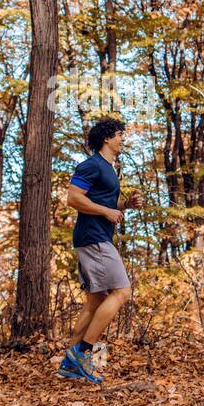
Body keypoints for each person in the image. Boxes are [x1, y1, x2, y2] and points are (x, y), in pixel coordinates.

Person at [57, 116, 141, 384]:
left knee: (95, 302)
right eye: (119, 134)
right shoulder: (92, 165)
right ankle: (82, 353)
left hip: (96, 236)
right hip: (93, 238)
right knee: (122, 292)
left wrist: (124, 205)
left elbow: (103, 202)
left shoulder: (109, 168)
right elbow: (73, 198)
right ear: (107, 138)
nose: (122, 139)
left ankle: (68, 364)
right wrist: (107, 210)